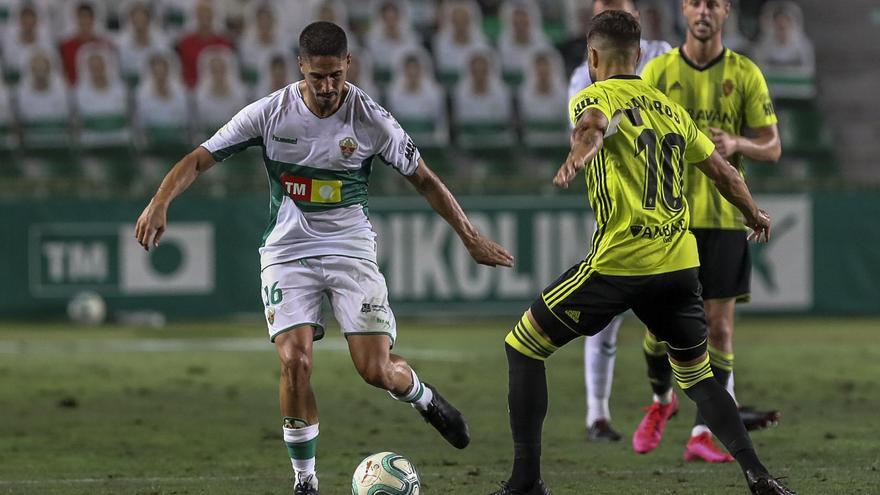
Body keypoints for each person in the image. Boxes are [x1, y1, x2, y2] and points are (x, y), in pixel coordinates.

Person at [134, 21, 514, 495]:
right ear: (301, 68)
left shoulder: (372, 120)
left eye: (336, 75)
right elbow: (197, 158)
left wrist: (470, 236)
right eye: (318, 77)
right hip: (287, 252)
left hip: (351, 250)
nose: (328, 86)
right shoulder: (270, 113)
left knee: (375, 371)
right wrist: (160, 201)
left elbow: (426, 180)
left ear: (348, 65)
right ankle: (305, 481)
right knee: (295, 361)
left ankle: (422, 396)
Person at [491, 11, 793, 495]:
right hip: (677, 263)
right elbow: (724, 173)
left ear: (593, 58)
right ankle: (758, 475)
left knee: (523, 345)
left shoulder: (595, 94)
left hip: (621, 261)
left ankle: (527, 480)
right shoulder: (669, 108)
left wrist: (578, 155)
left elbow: (591, 126)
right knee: (699, 376)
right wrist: (754, 213)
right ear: (638, 56)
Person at [635, 0, 783, 463]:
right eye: (696, 2)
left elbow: (773, 146)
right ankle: (662, 401)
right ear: (684, 10)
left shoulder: (745, 73)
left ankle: (702, 431)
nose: (703, 11)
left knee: (718, 332)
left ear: (726, 12)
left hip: (722, 220)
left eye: (713, 4)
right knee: (661, 331)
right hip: (668, 221)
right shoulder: (656, 71)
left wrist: (739, 142)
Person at [567, 0, 672, 443]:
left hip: (668, 210)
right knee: (605, 318)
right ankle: (598, 415)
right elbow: (584, 133)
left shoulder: (667, 57)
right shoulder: (582, 77)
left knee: (681, 319)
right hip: (617, 213)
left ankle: (683, 406)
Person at [177, 0, 233, 88]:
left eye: (208, 15)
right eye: (201, 15)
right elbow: (183, 69)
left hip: (217, 88)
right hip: (191, 87)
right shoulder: (186, 42)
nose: (204, 18)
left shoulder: (223, 42)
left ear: (213, 17)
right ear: (195, 17)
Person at [59, 1, 113, 85]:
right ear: (76, 19)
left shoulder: (105, 45)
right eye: (81, 17)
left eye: (88, 17)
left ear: (93, 19)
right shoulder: (65, 46)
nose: (84, 21)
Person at [117, 1, 170, 84]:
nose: (139, 20)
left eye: (142, 17)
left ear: (148, 19)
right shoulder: (121, 43)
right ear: (131, 20)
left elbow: (164, 67)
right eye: (136, 17)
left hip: (154, 85)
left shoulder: (161, 40)